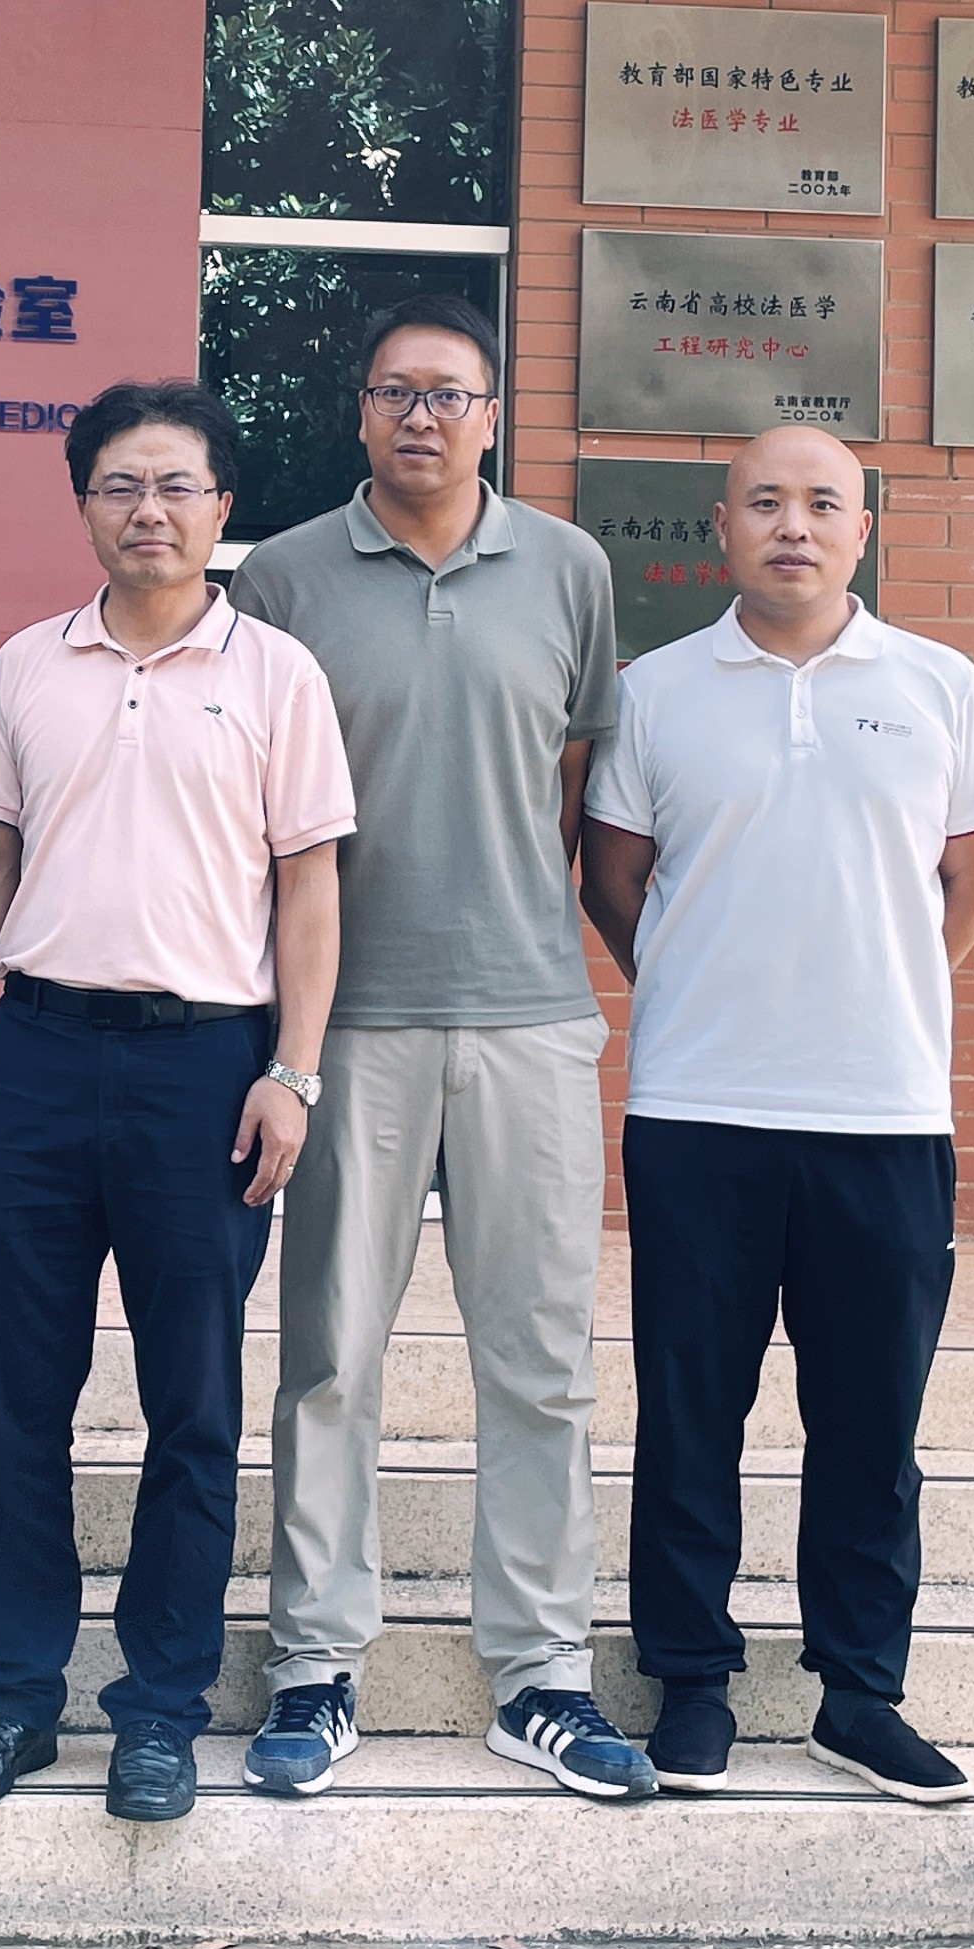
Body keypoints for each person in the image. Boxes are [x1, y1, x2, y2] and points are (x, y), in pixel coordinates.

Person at [226, 296, 651, 1805]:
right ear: (360, 412)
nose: (423, 415)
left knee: (539, 1362)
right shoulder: (281, 577)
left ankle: (541, 1675)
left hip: (531, 1015)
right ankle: (314, 1666)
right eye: (397, 391)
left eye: (451, 393)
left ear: (492, 414)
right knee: (330, 1358)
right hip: (350, 1022)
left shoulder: (570, 569)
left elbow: (577, 778)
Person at [0, 379, 354, 1824]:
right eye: (119, 484)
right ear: (84, 504)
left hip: (205, 1073)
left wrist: (293, 1070)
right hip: (35, 1059)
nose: (147, 510)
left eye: (176, 485)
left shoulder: (277, 674)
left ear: (223, 508)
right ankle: (12, 1699)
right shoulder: (27, 665)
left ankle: (159, 1710)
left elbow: (309, 883)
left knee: (192, 1407)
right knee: (16, 1404)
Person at [577, 424, 974, 1806]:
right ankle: (691, 1682)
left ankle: (860, 1694)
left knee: (871, 1422)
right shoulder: (656, 693)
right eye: (764, 501)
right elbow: (614, 878)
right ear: (721, 528)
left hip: (884, 1113)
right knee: (689, 1412)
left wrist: (882, 992)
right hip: (699, 1108)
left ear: (861, 529)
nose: (793, 525)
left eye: (823, 503)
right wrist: (696, 986)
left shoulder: (941, 688)